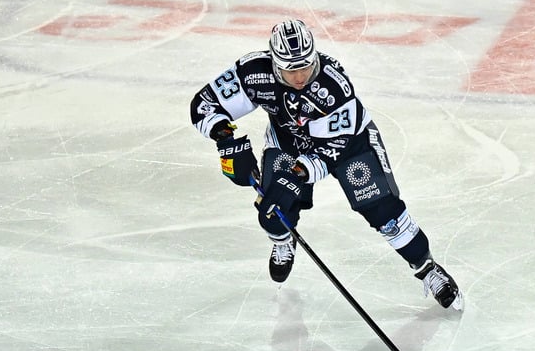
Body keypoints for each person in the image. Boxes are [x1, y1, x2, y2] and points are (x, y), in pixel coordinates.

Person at [189, 19, 462, 310]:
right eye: (290, 70)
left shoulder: (334, 84)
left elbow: (330, 150)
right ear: (274, 63)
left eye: (306, 66)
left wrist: (297, 175)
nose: (300, 77)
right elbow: (204, 104)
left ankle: (427, 268)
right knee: (272, 212)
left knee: (384, 211)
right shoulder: (254, 72)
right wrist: (225, 138)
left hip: (348, 146)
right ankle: (284, 240)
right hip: (289, 142)